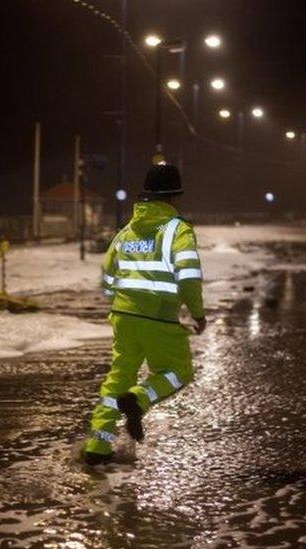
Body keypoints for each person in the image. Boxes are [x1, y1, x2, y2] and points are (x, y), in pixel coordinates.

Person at [82, 164, 206, 466]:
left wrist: (121, 299)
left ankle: (98, 447)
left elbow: (108, 273)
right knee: (178, 372)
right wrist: (198, 314)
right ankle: (138, 400)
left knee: (117, 378)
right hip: (159, 317)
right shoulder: (178, 230)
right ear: (175, 197)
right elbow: (188, 276)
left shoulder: (126, 231)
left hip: (124, 316)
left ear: (146, 196)